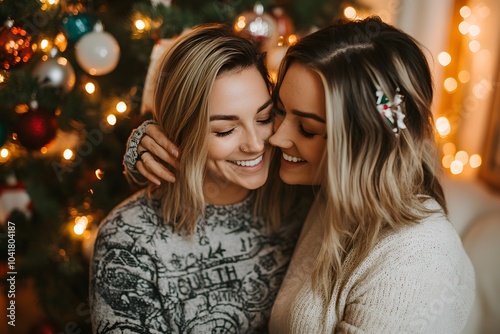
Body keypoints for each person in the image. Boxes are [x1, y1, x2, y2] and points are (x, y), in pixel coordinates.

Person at [125, 17, 475, 333]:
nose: (274, 138)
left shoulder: (417, 263)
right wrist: (155, 139)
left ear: (365, 144)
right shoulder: (325, 190)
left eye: (306, 128)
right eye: (277, 113)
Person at [89, 23, 308, 333]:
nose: (256, 144)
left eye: (263, 117)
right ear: (180, 132)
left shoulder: (302, 198)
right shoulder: (129, 240)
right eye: (225, 130)